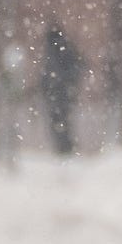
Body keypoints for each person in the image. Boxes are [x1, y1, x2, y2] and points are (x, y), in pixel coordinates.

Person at [39, 23, 85, 158]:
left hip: (58, 92)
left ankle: (64, 148)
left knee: (59, 120)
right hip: (60, 91)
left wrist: (57, 82)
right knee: (62, 120)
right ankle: (64, 147)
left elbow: (49, 71)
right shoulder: (61, 48)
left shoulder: (57, 49)